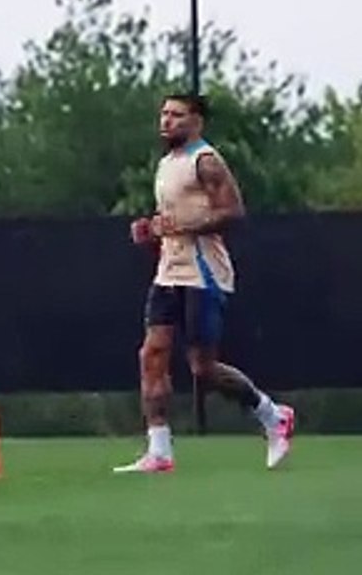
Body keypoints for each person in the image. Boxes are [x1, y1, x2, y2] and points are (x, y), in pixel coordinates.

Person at [115, 93, 295, 474]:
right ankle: (159, 449)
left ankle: (272, 414)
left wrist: (179, 227)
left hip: (204, 272)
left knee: (203, 368)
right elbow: (173, 217)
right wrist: (150, 229)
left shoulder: (206, 160)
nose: (166, 121)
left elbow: (232, 211)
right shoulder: (166, 164)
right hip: (169, 270)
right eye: (163, 113)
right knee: (152, 355)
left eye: (176, 115)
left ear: (196, 121)